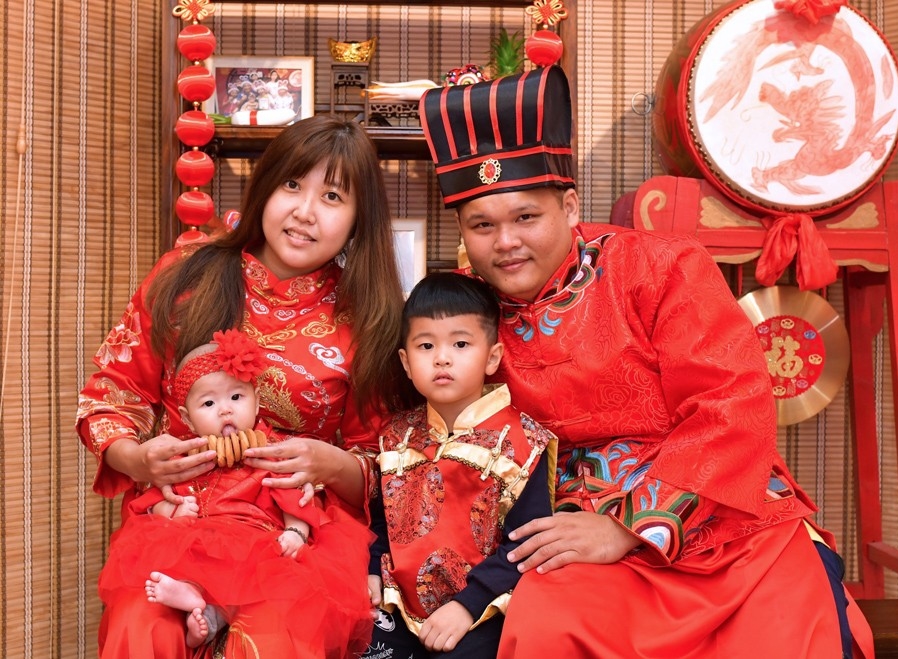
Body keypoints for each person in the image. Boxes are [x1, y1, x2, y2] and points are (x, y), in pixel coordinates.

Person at [417, 66, 875, 658]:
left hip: (714, 511)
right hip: (563, 525)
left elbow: (732, 407)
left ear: (570, 206)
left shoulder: (660, 268)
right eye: (483, 225)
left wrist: (626, 527)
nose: (505, 242)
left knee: (786, 628)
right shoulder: (461, 312)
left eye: (526, 217)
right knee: (546, 628)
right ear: (461, 230)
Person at [76, 114, 413, 659]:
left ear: (358, 220)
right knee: (143, 628)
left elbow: (390, 462)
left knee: (270, 642)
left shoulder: (368, 317)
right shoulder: (184, 276)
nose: (305, 212)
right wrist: (138, 460)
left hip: (297, 535)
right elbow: (111, 395)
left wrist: (330, 464)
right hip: (181, 522)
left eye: (332, 197)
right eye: (292, 185)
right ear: (265, 187)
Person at [100, 329, 367, 652]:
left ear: (257, 403)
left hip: (259, 544)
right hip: (197, 542)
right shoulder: (185, 459)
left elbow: (294, 497)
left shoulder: (273, 454)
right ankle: (192, 597)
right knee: (169, 568)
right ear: (187, 419)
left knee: (270, 584)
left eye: (237, 398)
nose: (225, 410)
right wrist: (171, 510)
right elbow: (156, 499)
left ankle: (206, 613)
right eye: (209, 403)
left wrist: (296, 532)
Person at [363, 272, 555, 659]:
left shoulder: (524, 443)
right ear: (405, 362)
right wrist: (371, 571)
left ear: (492, 357)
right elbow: (384, 523)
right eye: (426, 345)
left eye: (461, 343)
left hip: (486, 607)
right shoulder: (396, 435)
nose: (442, 357)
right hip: (398, 601)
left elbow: (526, 545)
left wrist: (467, 606)